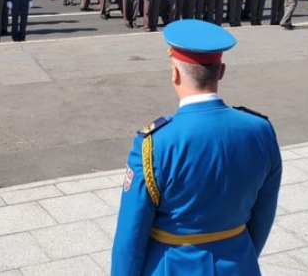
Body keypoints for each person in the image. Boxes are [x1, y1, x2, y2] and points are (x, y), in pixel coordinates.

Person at [111, 20, 281, 275]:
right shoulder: (260, 130)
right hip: (239, 263)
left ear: (175, 73)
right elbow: (263, 216)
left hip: (173, 265)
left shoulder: (155, 143)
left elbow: (131, 235)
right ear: (221, 71)